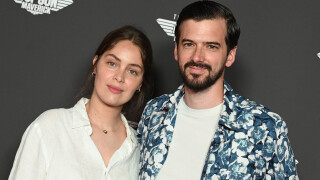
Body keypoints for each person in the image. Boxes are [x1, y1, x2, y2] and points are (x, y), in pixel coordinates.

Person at [138, 1, 299, 179]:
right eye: (189, 44)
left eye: (211, 46)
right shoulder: (154, 113)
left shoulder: (264, 126)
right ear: (176, 50)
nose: (197, 57)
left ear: (230, 55)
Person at [9, 25, 153, 180]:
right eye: (112, 63)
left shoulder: (141, 152)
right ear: (96, 64)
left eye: (132, 71)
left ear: (140, 83)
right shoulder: (50, 127)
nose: (119, 77)